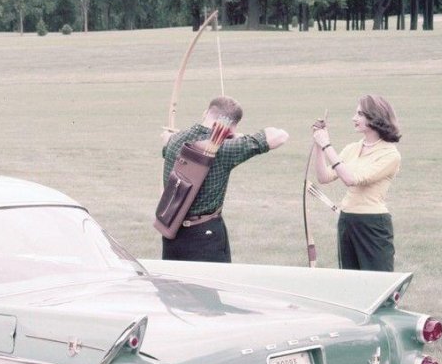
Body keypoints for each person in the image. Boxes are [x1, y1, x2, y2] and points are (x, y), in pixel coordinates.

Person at [159, 96, 289, 262]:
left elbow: (170, 149)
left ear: (205, 113)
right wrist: (236, 137)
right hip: (205, 237)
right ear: (231, 127)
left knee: (174, 287)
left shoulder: (174, 140)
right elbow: (280, 135)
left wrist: (168, 140)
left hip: (171, 231)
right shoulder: (224, 149)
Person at [311, 95, 402, 271]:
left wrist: (327, 145)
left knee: (378, 283)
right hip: (347, 221)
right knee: (351, 282)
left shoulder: (390, 155)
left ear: (374, 117)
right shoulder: (352, 148)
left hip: (373, 224)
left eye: (360, 114)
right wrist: (319, 145)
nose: (354, 118)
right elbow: (323, 177)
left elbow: (351, 179)